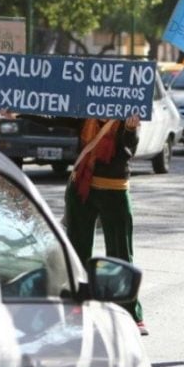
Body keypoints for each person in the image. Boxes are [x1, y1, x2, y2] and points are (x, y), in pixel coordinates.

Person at [64, 114, 147, 334]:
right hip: (81, 187)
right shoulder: (84, 111)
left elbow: (130, 149)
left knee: (121, 253)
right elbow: (55, 114)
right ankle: (77, 307)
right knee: (77, 250)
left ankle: (130, 312)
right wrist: (17, 111)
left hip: (115, 189)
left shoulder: (127, 114)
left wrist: (130, 130)